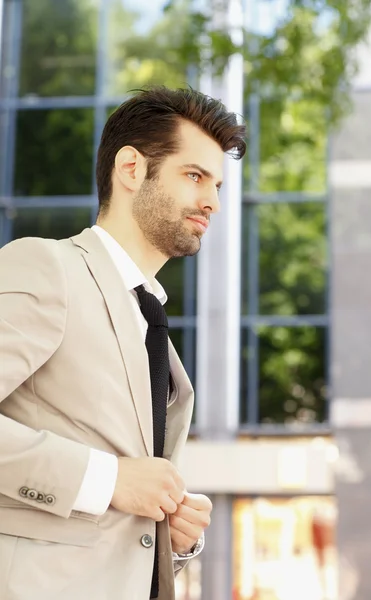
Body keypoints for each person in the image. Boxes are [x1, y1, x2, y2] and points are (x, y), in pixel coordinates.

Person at [0, 86, 246, 600]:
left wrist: (167, 536)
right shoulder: (47, 268)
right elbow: (114, 483)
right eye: (195, 176)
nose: (214, 203)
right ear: (131, 169)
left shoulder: (148, 319)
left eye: (218, 185)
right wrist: (109, 479)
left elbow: (120, 523)